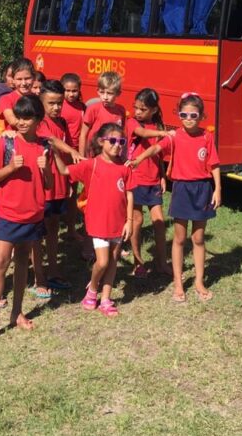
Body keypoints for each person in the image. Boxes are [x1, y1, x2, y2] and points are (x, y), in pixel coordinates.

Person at [0, 94, 52, 345]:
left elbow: (48, 184)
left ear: (39, 119)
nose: (22, 122)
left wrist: (46, 168)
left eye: (28, 117)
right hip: (8, 213)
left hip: (33, 213)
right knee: (0, 264)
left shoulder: (44, 147)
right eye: (19, 116)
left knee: (21, 264)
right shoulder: (5, 144)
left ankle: (17, 312)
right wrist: (10, 168)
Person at [128, 92, 221, 302]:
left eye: (193, 115)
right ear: (179, 115)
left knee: (198, 238)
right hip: (182, 190)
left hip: (203, 189)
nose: (188, 119)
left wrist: (218, 189)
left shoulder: (207, 137)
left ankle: (198, 281)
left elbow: (214, 165)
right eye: (184, 114)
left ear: (202, 116)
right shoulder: (175, 136)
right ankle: (179, 284)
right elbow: (154, 148)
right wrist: (138, 159)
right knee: (179, 238)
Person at [57, 122, 133, 317]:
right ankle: (92, 289)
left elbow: (130, 193)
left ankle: (106, 299)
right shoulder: (92, 164)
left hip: (119, 221)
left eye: (121, 141)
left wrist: (129, 220)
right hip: (98, 221)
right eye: (113, 141)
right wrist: (55, 154)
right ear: (101, 141)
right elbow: (66, 171)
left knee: (113, 260)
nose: (118, 145)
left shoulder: (124, 169)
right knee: (102, 261)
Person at [35, 80, 84, 293]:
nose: (56, 107)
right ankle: (39, 278)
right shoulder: (39, 122)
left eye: (59, 103)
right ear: (41, 102)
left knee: (53, 227)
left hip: (59, 184)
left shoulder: (62, 121)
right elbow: (52, 141)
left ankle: (53, 270)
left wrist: (70, 181)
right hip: (43, 185)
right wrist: (73, 151)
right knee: (38, 232)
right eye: (51, 103)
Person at [125, 88, 173, 276]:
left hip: (153, 181)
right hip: (135, 179)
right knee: (136, 221)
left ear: (153, 110)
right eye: (136, 107)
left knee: (159, 221)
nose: (137, 112)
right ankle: (137, 262)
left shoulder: (158, 125)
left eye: (142, 109)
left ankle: (162, 262)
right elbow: (142, 133)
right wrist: (163, 134)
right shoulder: (131, 123)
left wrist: (161, 176)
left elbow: (159, 155)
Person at [59, 72, 86, 242]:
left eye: (74, 90)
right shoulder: (58, 106)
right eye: (67, 90)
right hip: (61, 153)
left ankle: (70, 228)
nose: (71, 94)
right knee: (59, 190)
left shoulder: (83, 108)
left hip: (76, 154)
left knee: (72, 192)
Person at [78, 71, 126, 156]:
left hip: (111, 155)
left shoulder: (121, 110)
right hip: (94, 155)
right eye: (102, 92)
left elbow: (122, 135)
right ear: (98, 91)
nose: (105, 97)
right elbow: (83, 135)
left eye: (109, 93)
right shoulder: (93, 109)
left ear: (118, 93)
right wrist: (81, 157)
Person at [0, 58, 34, 135]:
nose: (23, 83)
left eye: (27, 78)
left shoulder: (37, 99)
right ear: (13, 80)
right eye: (19, 79)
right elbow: (12, 120)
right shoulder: (6, 99)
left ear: (33, 78)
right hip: (15, 141)